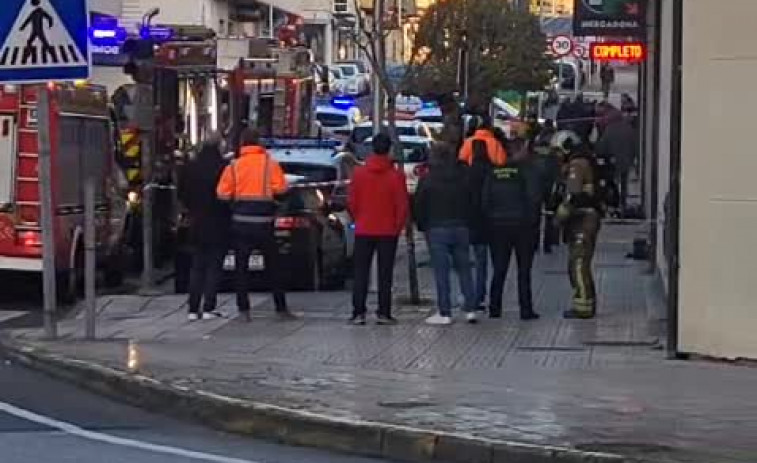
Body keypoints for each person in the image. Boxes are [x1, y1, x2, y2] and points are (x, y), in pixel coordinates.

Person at [216, 128, 293, 321]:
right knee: (274, 267)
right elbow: (281, 188)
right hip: (265, 223)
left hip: (241, 223)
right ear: (258, 143)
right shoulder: (270, 164)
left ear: (242, 144)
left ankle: (244, 311)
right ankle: (280, 308)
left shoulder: (233, 166)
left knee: (241, 269)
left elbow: (222, 194)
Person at [348, 133, 409, 325]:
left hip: (364, 228)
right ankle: (384, 312)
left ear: (372, 148)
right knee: (385, 274)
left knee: (360, 273)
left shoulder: (359, 174)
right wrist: (397, 227)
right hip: (387, 231)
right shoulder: (396, 176)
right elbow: (402, 205)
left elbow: (352, 202)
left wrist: (359, 219)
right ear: (389, 149)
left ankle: (358, 312)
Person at [414, 143, 477, 325]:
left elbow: (419, 204)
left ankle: (445, 311)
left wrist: (422, 225)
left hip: (437, 228)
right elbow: (472, 200)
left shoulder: (428, 179)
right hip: (461, 227)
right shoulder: (463, 177)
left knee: (441, 272)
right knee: (464, 269)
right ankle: (470, 309)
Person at [482, 136, 541, 321]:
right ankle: (525, 309)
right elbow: (534, 199)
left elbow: (485, 201)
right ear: (520, 151)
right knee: (524, 271)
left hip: (497, 227)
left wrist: (491, 220)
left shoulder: (494, 173)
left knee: (499, 268)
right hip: (522, 228)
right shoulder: (527, 172)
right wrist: (532, 224)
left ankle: (494, 308)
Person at [177, 134, 229, 321]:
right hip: (219, 223)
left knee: (197, 266)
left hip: (197, 223)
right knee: (214, 267)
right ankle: (209, 307)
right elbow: (228, 195)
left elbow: (181, 193)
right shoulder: (224, 168)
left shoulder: (190, 167)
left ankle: (192, 308)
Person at [458, 115, 508, 311]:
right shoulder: (495, 145)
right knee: (485, 260)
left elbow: (461, 164)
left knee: (469, 258)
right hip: (492, 216)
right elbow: (503, 167)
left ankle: (472, 296)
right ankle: (483, 295)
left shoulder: (467, 144)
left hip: (471, 216)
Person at [552, 131, 602, 319]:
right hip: (586, 218)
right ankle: (585, 302)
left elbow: (572, 197)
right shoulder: (584, 161)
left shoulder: (577, 165)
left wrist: (558, 218)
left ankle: (583, 307)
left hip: (583, 220)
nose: (557, 157)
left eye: (558, 151)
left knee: (579, 263)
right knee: (580, 262)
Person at [595, 108, 636, 215]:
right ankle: (623, 204)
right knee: (623, 183)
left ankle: (612, 205)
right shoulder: (629, 129)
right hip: (625, 162)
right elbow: (634, 146)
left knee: (611, 184)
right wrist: (632, 159)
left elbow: (602, 147)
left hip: (612, 163)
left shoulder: (609, 129)